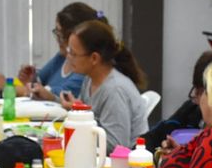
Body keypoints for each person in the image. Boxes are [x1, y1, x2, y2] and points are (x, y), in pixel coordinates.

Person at [59, 20, 148, 151]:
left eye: (73, 53)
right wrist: (78, 110)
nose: (68, 57)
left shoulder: (115, 90)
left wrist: (80, 125)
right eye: (68, 51)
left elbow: (116, 145)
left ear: (94, 58)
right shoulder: (89, 79)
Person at [0, 2, 100, 101]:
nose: (57, 40)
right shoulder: (61, 57)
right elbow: (39, 82)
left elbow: (52, 95)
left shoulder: (83, 69)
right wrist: (30, 80)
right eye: (57, 33)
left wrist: (6, 85)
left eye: (60, 34)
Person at [143, 49, 212, 152]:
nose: (198, 100)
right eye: (197, 91)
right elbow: (152, 138)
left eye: (203, 92)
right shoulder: (191, 111)